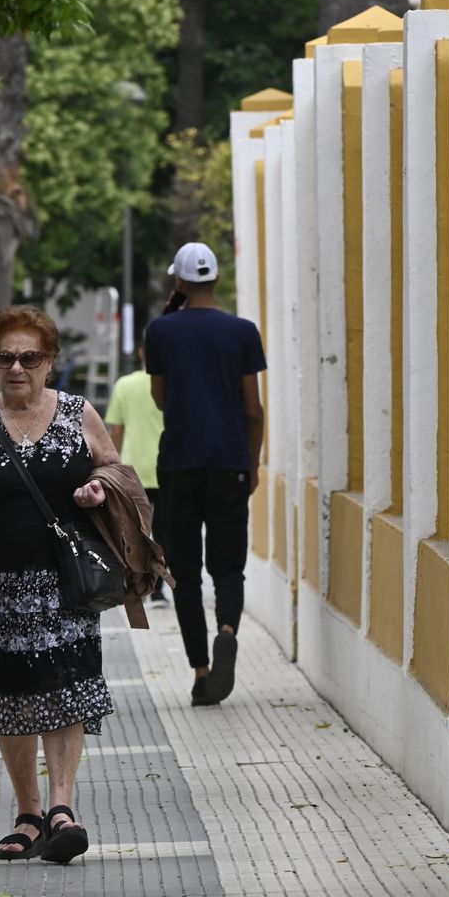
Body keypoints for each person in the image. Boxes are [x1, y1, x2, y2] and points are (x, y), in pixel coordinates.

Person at [0, 305, 120, 865]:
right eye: (5, 358)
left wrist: (97, 489)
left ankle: (63, 809)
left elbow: (113, 469)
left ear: (50, 361)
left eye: (29, 357)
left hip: (64, 584)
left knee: (65, 691)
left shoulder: (79, 413)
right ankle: (29, 813)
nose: (17, 367)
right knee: (12, 698)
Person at [144, 242, 266, 708]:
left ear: (178, 280)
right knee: (228, 566)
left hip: (178, 466)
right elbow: (253, 408)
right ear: (216, 279)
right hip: (230, 464)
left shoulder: (161, 331)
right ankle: (229, 630)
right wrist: (251, 463)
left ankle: (201, 672)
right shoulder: (242, 332)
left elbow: (160, 398)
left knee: (187, 574)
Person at [104, 342, 167, 605]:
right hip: (166, 468)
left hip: (133, 472)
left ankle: (137, 585)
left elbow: (116, 431)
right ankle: (160, 590)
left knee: (136, 534)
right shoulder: (171, 384)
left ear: (141, 353)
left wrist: (113, 466)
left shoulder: (124, 386)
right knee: (163, 534)